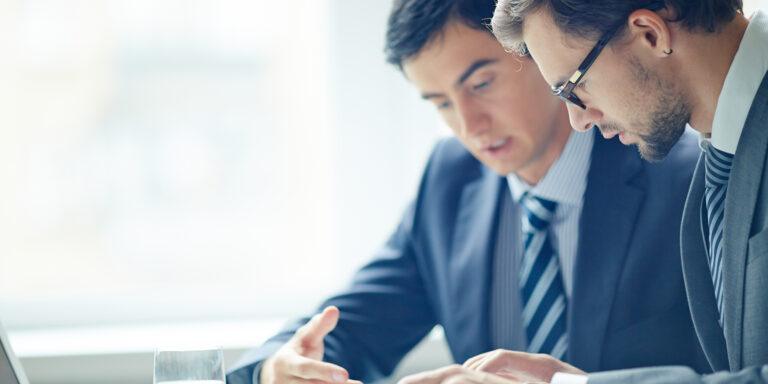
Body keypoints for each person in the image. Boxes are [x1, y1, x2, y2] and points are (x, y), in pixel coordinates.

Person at [226, 0, 708, 383]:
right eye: (440, 103)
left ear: (537, 52)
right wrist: (276, 368)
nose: (468, 125)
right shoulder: (450, 180)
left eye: (481, 83)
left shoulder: (680, 170)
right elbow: (350, 322)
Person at [398, 0, 768, 383]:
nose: (578, 119)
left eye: (575, 85)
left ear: (650, 34)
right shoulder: (726, 151)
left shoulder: (691, 170)